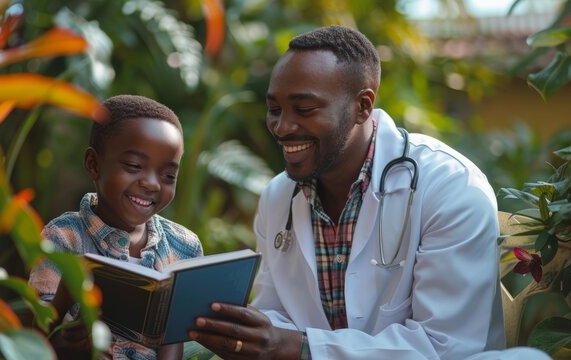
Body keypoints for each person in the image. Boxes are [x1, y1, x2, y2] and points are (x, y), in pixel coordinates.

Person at [187, 25, 506, 359]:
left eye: (305, 109)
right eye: (275, 109)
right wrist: (242, 330)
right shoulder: (278, 196)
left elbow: (447, 346)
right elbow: (275, 311)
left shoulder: (449, 187)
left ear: (363, 106)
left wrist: (300, 348)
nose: (282, 127)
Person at [28, 95, 203, 360]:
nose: (153, 184)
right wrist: (69, 325)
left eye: (168, 175)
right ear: (94, 164)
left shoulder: (184, 247)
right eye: (134, 166)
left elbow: (175, 338)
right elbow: (37, 333)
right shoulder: (63, 236)